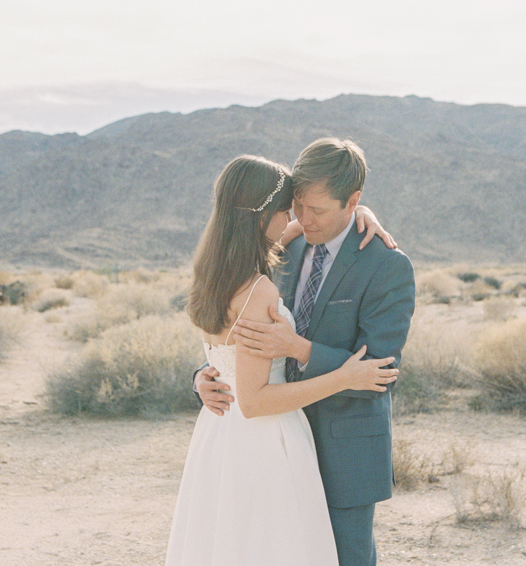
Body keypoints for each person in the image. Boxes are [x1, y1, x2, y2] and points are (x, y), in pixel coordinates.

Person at [165, 154, 399, 566]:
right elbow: (252, 394)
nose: (302, 221)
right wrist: (205, 375)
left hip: (312, 442)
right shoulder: (267, 273)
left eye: (314, 210)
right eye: (293, 210)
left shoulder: (217, 268)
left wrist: (360, 211)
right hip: (268, 438)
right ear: (264, 216)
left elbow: (382, 367)